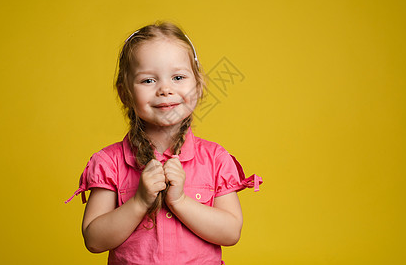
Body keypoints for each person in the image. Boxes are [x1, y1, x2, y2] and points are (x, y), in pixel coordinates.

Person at [66, 21, 262, 264]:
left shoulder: (216, 159)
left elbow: (231, 233)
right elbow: (94, 240)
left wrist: (179, 201)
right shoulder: (109, 162)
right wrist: (139, 201)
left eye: (178, 77)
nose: (165, 89)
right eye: (148, 81)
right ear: (125, 94)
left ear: (198, 86)